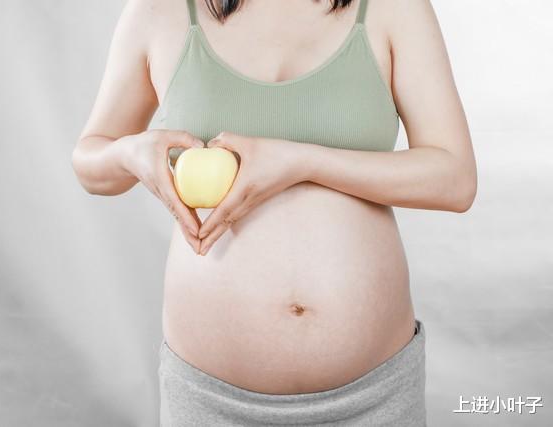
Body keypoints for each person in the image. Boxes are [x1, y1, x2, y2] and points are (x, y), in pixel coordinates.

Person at [71, 0, 477, 425]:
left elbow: (455, 180)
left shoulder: (393, 8)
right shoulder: (159, 11)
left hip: (373, 396)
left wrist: (303, 161)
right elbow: (91, 164)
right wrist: (129, 152)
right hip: (209, 399)